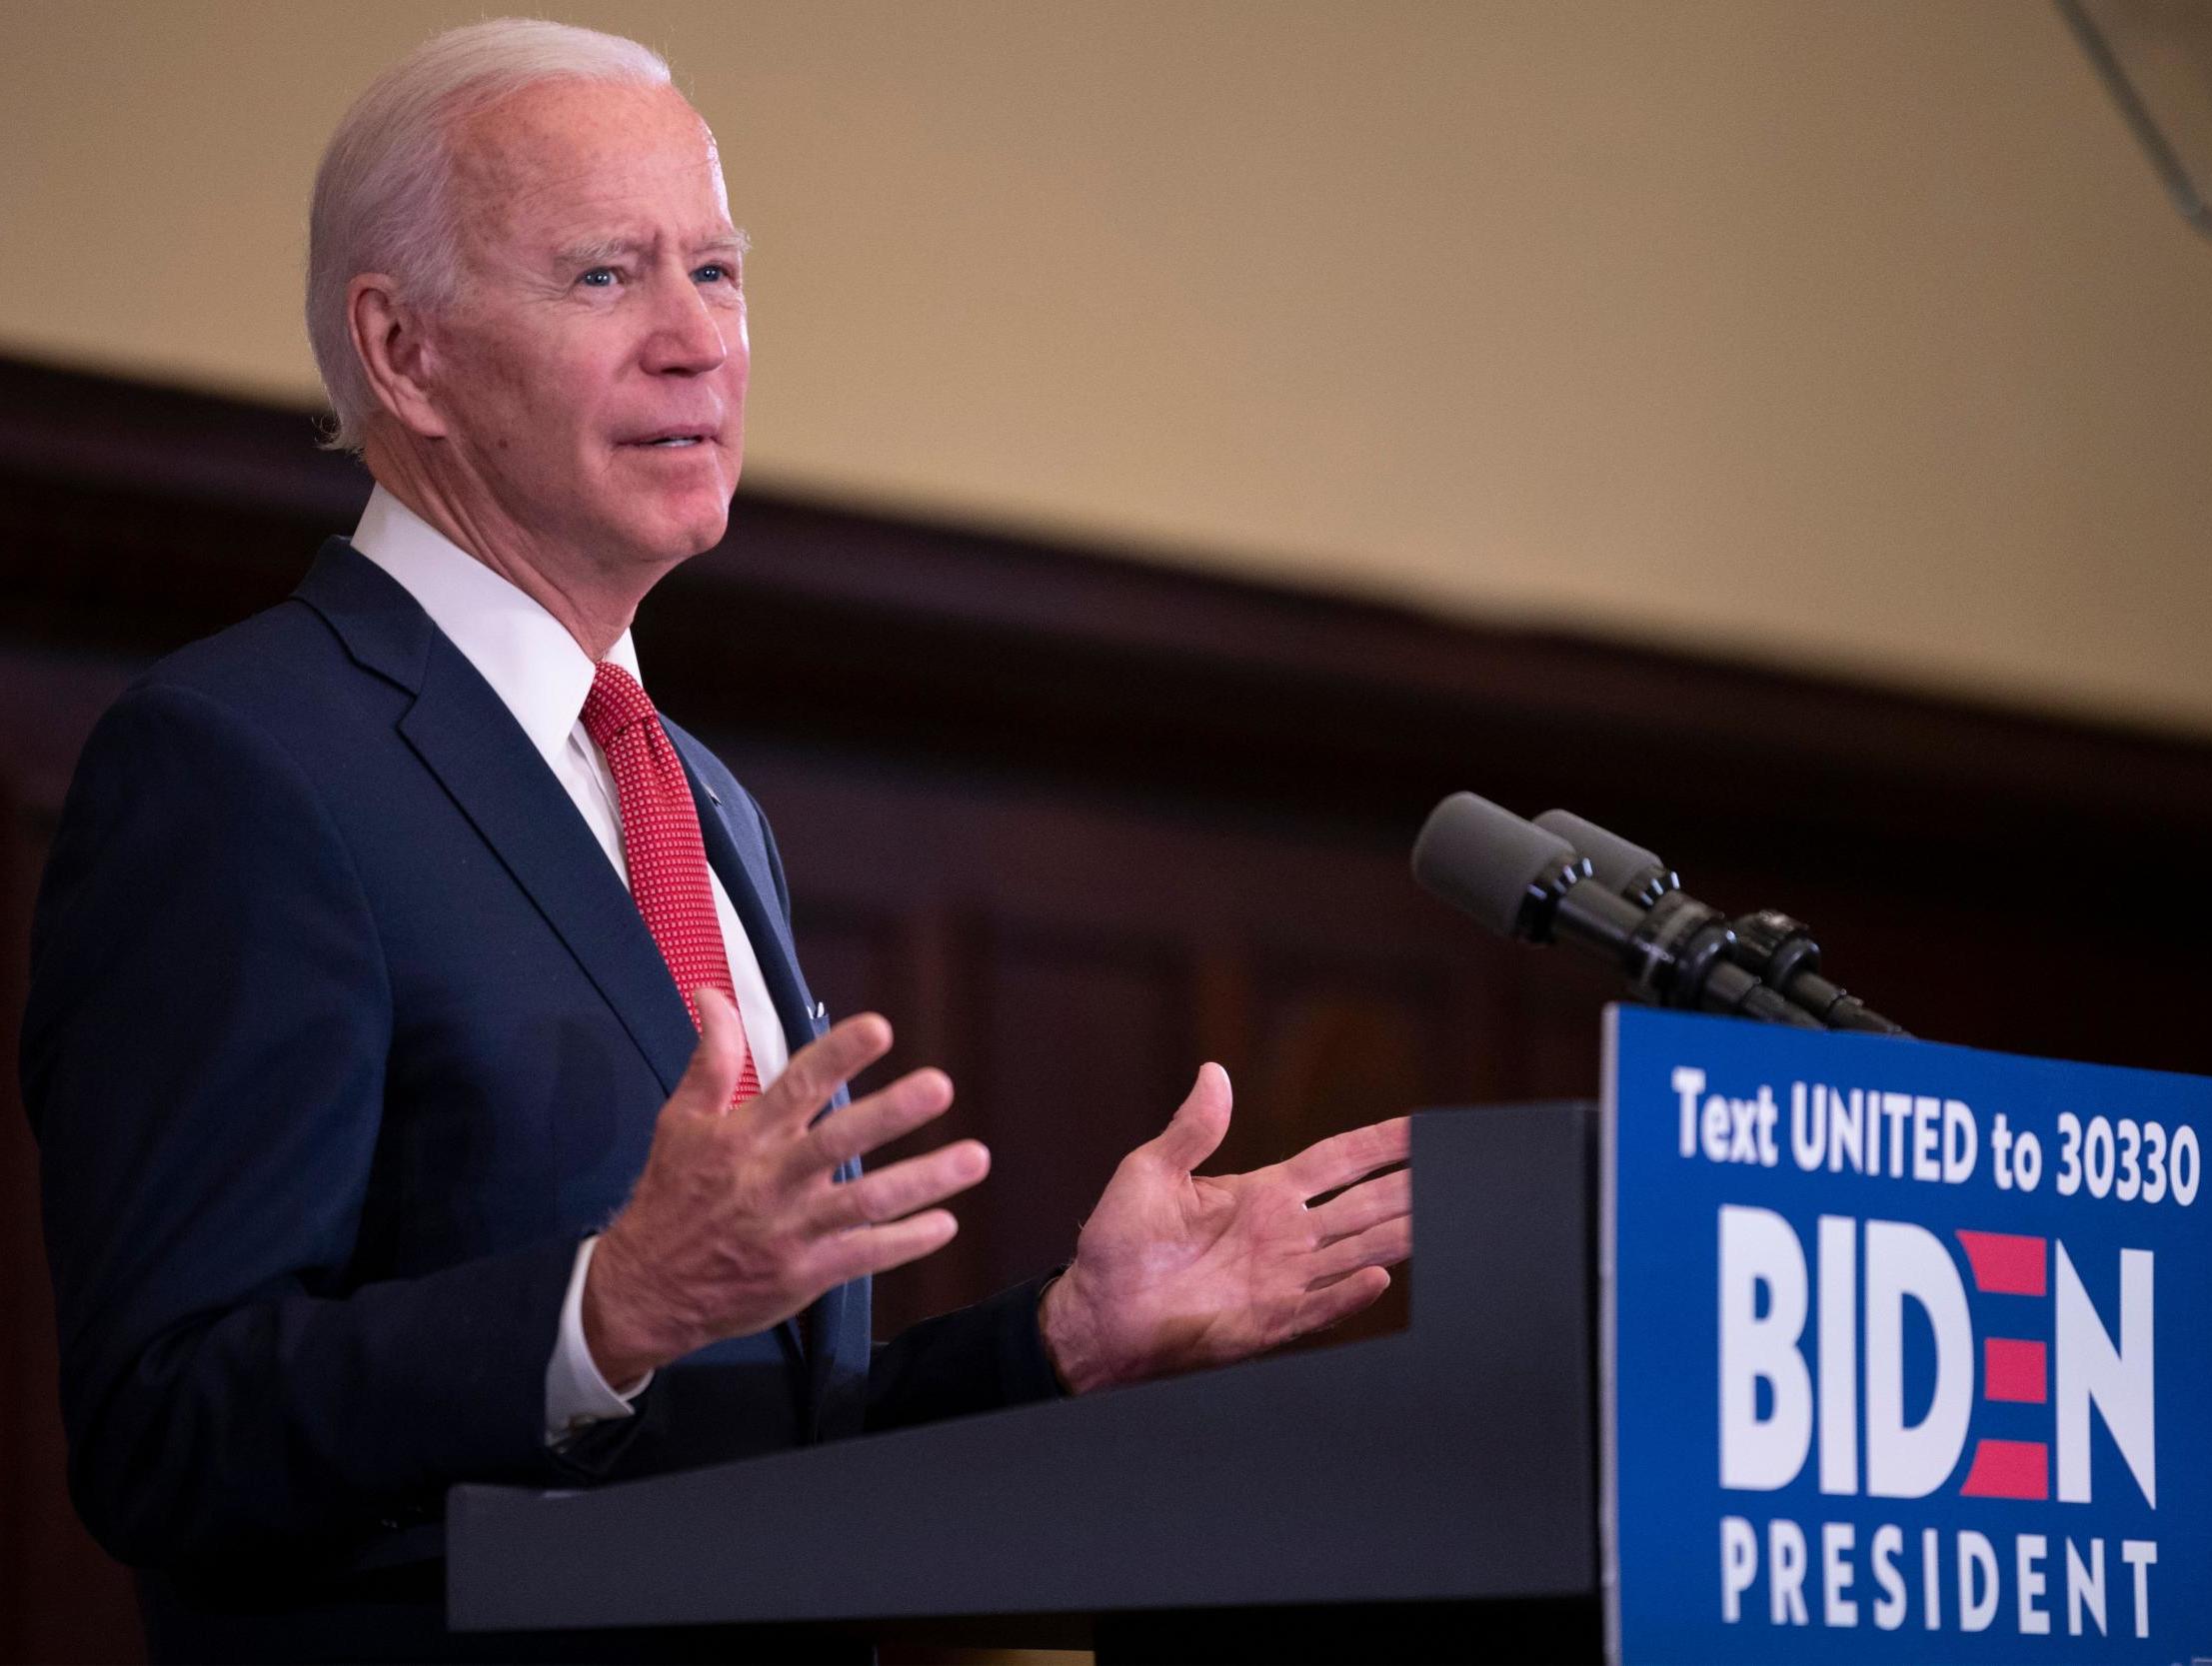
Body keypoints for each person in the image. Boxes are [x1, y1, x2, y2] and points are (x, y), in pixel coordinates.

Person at [21, 18, 1412, 1663]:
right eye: (607, 276)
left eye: (720, 272)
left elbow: (744, 1467)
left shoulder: (691, 792)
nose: (699, 343)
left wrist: (1061, 1341)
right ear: (403, 354)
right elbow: (165, 1431)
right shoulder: (242, 762)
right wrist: (603, 1311)